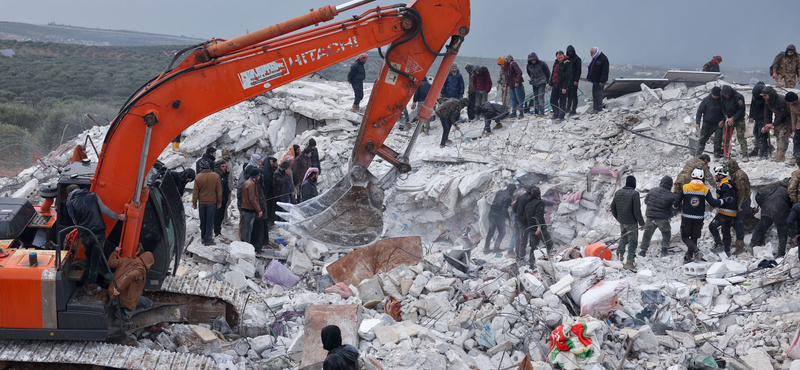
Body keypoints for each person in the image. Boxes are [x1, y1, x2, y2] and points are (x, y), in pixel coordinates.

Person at [66, 184, 127, 293]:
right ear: (79, 189)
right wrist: (118, 216)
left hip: (84, 233)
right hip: (98, 232)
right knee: (96, 258)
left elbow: (75, 222)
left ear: (70, 193)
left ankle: (86, 281)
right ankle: (91, 286)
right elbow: (105, 210)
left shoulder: (70, 202)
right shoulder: (92, 195)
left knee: (89, 256)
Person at [672, 168, 724, 263]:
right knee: (694, 237)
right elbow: (712, 202)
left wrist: (674, 207)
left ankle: (695, 251)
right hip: (699, 218)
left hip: (687, 217)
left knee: (685, 237)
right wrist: (723, 200)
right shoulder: (705, 189)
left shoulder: (685, 187)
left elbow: (677, 202)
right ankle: (688, 257)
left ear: (692, 176)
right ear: (702, 177)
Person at [108, 247, 154, 324]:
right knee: (148, 303)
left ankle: (122, 310)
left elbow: (111, 262)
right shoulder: (141, 269)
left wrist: (115, 251)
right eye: (150, 264)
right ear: (147, 262)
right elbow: (129, 276)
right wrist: (118, 290)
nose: (150, 267)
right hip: (119, 297)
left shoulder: (126, 260)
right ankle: (123, 311)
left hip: (111, 293)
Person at [610, 175, 645, 270]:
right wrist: (642, 223)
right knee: (633, 242)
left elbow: (612, 207)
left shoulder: (618, 192)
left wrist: (617, 217)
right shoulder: (634, 194)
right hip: (631, 222)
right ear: (633, 183)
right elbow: (637, 211)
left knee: (623, 237)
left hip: (622, 221)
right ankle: (629, 262)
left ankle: (619, 254)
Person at [750, 178, 791, 257]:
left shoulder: (776, 189)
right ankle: (781, 253)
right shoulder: (789, 192)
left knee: (760, 228)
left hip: (767, 208)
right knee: (782, 232)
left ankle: (751, 245)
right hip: (780, 211)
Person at [640, 176, 675, 257]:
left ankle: (643, 251)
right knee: (666, 233)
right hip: (662, 218)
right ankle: (664, 250)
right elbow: (672, 210)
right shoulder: (672, 196)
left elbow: (646, 202)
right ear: (670, 185)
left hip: (650, 216)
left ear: (661, 182)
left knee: (647, 234)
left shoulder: (652, 190)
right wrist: (669, 215)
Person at [707, 166, 737, 256]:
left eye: (716, 175)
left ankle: (719, 244)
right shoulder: (729, 183)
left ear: (721, 175)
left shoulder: (724, 186)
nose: (715, 177)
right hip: (732, 213)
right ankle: (727, 250)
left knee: (712, 226)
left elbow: (726, 197)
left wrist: (719, 202)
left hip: (725, 213)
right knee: (725, 230)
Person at [192, 160, 222, 246]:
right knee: (210, 221)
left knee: (203, 220)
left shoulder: (198, 177)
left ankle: (203, 237)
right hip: (212, 202)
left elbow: (195, 193)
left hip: (202, 202)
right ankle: (208, 239)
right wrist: (219, 201)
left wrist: (194, 203)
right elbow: (219, 191)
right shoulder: (216, 176)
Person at [727, 159, 751, 254]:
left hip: (742, 202)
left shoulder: (738, 176)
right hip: (745, 200)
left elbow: (740, 192)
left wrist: (739, 205)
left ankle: (740, 244)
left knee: (738, 222)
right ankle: (738, 241)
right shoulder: (739, 173)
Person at [763, 86, 792, 162]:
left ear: (770, 94)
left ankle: (781, 154)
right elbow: (767, 113)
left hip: (788, 118)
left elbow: (782, 115)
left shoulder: (781, 100)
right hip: (778, 117)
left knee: (783, 135)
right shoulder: (767, 101)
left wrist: (772, 124)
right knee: (777, 134)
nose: (763, 97)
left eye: (765, 95)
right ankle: (779, 151)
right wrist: (767, 124)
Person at [720, 85, 748, 161]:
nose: (726, 96)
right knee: (725, 137)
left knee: (740, 136)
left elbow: (742, 109)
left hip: (739, 119)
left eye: (726, 95)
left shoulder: (738, 97)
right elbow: (723, 108)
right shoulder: (722, 97)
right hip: (728, 119)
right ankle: (726, 154)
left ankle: (745, 153)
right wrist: (726, 118)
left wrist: (733, 118)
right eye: (724, 95)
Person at [484, 184, 515, 253]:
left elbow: (499, 201)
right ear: (512, 191)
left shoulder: (500, 192)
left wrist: (509, 203)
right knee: (502, 232)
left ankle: (486, 249)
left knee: (490, 232)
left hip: (492, 213)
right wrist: (508, 218)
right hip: (498, 216)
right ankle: (496, 248)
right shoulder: (508, 198)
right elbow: (504, 210)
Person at [695, 87, 725, 157]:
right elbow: (699, 112)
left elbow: (726, 112)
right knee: (702, 139)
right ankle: (698, 154)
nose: (715, 97)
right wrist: (697, 122)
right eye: (714, 95)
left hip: (718, 124)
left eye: (717, 96)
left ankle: (717, 154)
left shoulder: (722, 100)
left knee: (718, 140)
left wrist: (723, 120)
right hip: (707, 124)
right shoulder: (706, 100)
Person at [524, 187, 552, 263]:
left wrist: (530, 227)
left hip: (531, 229)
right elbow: (538, 215)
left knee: (534, 247)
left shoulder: (528, 204)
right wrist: (539, 227)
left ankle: (532, 264)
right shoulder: (540, 203)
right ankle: (544, 261)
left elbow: (525, 217)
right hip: (539, 229)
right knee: (549, 244)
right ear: (539, 194)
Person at [240, 168, 263, 244]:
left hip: (245, 208)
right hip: (249, 210)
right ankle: (247, 246)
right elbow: (252, 199)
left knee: (246, 229)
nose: (259, 177)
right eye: (258, 176)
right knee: (248, 230)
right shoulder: (251, 184)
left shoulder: (246, 182)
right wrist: (259, 210)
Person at [548, 51, 572, 121]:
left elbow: (568, 76)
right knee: (553, 100)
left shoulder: (567, 63)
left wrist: (564, 87)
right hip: (555, 85)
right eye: (558, 58)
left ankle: (561, 116)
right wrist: (550, 84)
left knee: (562, 101)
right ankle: (556, 113)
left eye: (561, 57)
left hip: (563, 86)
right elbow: (553, 74)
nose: (560, 59)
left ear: (563, 56)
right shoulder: (556, 63)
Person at [749, 82, 770, 159]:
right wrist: (751, 116)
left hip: (763, 118)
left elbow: (768, 110)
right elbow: (752, 106)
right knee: (756, 132)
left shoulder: (765, 98)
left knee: (762, 135)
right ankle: (758, 148)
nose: (756, 96)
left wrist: (767, 121)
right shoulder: (755, 96)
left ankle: (763, 151)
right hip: (757, 117)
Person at [526, 52, 551, 117]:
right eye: (531, 60)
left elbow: (547, 73)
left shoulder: (542, 64)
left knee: (540, 97)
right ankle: (536, 111)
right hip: (534, 83)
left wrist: (547, 82)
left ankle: (541, 112)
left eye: (534, 60)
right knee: (536, 97)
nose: (533, 61)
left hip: (542, 82)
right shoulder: (528, 66)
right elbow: (529, 73)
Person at [587, 47, 609, 114]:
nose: (591, 54)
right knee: (594, 95)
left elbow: (605, 71)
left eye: (591, 53)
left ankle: (598, 108)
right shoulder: (594, 58)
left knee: (599, 94)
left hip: (599, 81)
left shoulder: (603, 59)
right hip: (594, 80)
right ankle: (595, 108)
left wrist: (602, 81)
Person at [511, 187, 531, 260]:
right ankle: (521, 256)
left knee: (518, 239)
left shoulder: (520, 197)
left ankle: (517, 255)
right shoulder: (528, 200)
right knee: (523, 239)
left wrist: (515, 219)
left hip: (517, 220)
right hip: (523, 222)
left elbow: (514, 209)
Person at [213, 160, 231, 238]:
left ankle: (218, 230)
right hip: (218, 199)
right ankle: (216, 231)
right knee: (217, 215)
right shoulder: (216, 176)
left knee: (221, 215)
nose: (224, 168)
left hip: (224, 198)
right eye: (222, 166)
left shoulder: (224, 175)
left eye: (225, 166)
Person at [566, 45, 582, 116]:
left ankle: (573, 110)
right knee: (568, 95)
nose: (570, 53)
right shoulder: (567, 59)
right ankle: (568, 108)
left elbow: (579, 70)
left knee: (574, 95)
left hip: (574, 79)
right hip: (568, 80)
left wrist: (576, 80)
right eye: (569, 52)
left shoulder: (577, 59)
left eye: (571, 52)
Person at [264, 157, 278, 225]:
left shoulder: (271, 169)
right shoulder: (266, 171)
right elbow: (268, 180)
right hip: (267, 192)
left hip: (271, 192)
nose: (272, 164)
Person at [786, 92, 800, 163]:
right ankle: (796, 155)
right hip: (799, 123)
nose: (788, 103)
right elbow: (793, 114)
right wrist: (793, 125)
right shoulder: (792, 105)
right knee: (796, 139)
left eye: (789, 102)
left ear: (794, 101)